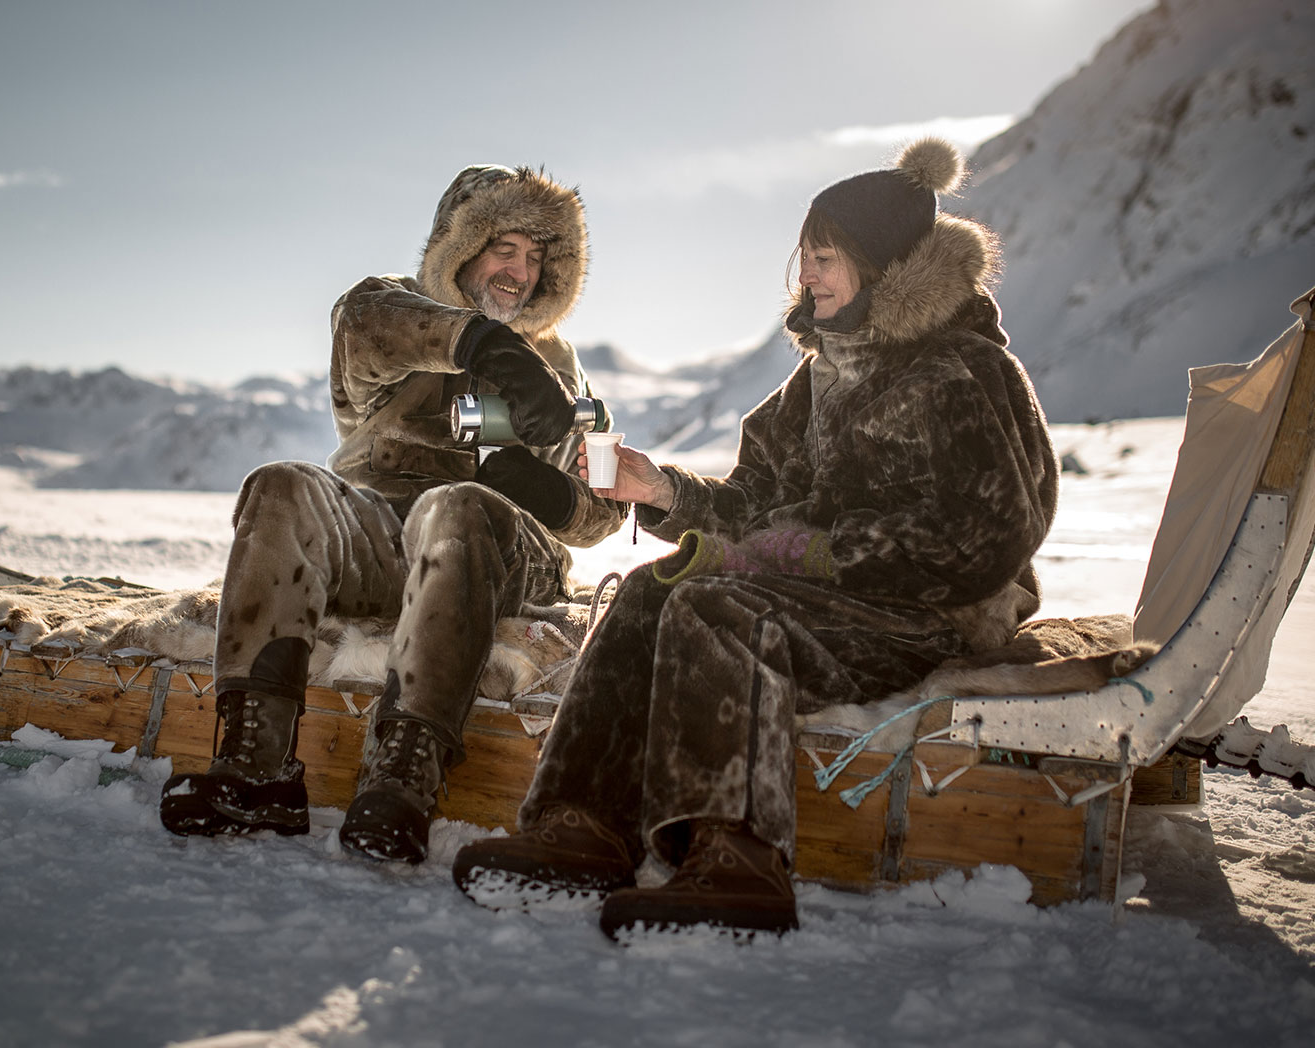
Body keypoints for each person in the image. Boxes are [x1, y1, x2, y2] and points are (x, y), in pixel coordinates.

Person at [450, 138, 1059, 938]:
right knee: (647, 593)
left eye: (826, 256)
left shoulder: (958, 371)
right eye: (804, 253)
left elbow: (987, 534)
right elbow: (757, 502)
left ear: (883, 268)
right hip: (824, 594)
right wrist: (660, 490)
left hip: (928, 610)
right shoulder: (821, 376)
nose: (805, 273)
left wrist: (817, 554)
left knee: (719, 610)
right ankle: (584, 827)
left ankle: (735, 861)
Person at [160, 164, 628, 865]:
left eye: (537, 258)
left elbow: (605, 511)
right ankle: (254, 770)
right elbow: (366, 323)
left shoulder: (570, 373)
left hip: (494, 552)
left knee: (458, 506)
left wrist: (551, 491)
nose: (520, 272)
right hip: (379, 532)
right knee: (282, 483)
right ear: (458, 247)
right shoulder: (387, 310)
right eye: (505, 249)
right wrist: (484, 344)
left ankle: (403, 779)